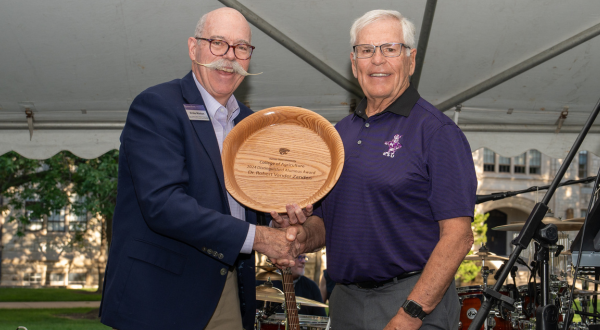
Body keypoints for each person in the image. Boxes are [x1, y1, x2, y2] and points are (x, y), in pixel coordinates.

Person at [99, 8, 308, 330]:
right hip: (161, 295)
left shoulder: (251, 124)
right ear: (193, 47)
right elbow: (163, 204)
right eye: (218, 43)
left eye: (241, 47)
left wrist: (277, 220)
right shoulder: (157, 106)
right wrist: (259, 238)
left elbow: (245, 202)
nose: (229, 57)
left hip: (229, 290)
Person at [272, 9, 476, 330]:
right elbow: (327, 223)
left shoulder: (436, 132)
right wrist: (297, 239)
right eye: (366, 51)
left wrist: (410, 314)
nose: (377, 60)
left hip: (413, 302)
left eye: (389, 49)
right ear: (354, 64)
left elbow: (458, 236)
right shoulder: (338, 135)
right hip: (345, 303)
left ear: (411, 59)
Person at [257, 254, 327, 317]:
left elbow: (321, 319)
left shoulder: (311, 286)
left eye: (304, 257)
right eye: (299, 257)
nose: (303, 261)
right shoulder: (263, 283)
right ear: (284, 260)